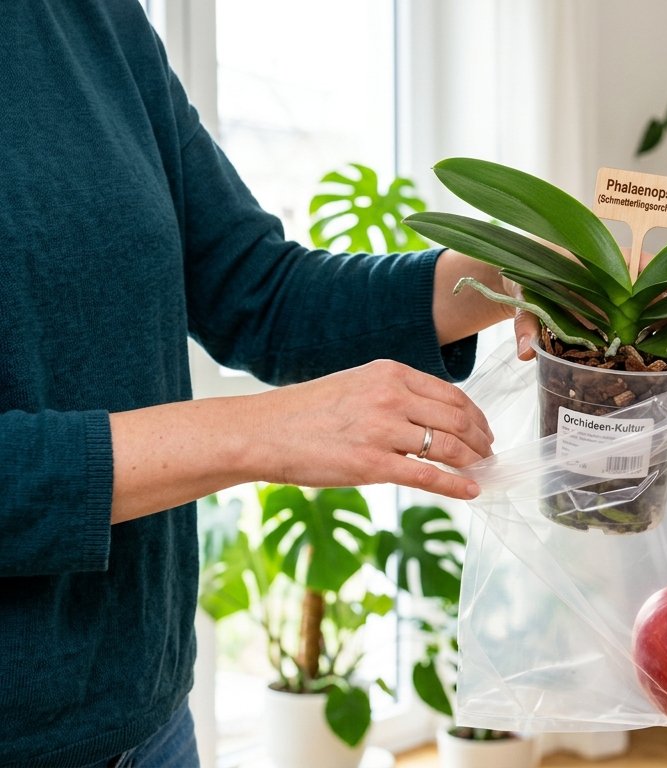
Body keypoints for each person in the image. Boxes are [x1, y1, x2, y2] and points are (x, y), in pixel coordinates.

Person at [0, 2, 558, 765]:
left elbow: (258, 292)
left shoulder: (91, 18)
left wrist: (511, 274)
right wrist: (259, 431)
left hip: (148, 719)